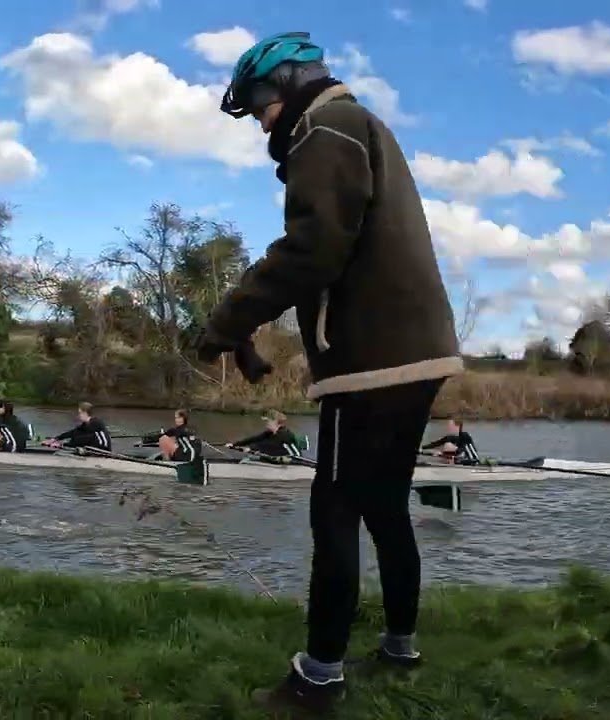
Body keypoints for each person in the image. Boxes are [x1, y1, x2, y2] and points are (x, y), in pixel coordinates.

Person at [192, 31, 463, 713]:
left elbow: (314, 247)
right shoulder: (361, 124)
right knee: (385, 506)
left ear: (283, 83)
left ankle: (318, 677)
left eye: (258, 105)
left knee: (335, 511)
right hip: (416, 352)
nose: (261, 123)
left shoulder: (326, 126)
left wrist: (226, 322)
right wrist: (251, 329)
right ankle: (400, 647)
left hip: (369, 361)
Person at [226, 410, 305, 458]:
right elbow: (254, 439)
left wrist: (251, 448)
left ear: (276, 422)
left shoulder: (284, 434)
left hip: (294, 460)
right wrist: (234, 444)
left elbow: (268, 444)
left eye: (268, 421)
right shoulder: (269, 433)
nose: (266, 423)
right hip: (280, 457)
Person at [41, 402, 111, 452]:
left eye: (80, 413)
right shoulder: (86, 424)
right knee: (76, 437)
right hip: (94, 448)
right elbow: (73, 432)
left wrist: (62, 444)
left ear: (85, 413)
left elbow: (82, 439)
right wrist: (55, 439)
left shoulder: (95, 423)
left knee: (78, 440)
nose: (78, 415)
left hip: (103, 450)